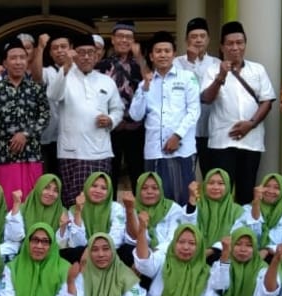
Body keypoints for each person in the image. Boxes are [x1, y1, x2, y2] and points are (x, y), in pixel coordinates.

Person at [200, 21, 276, 204]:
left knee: (246, 193)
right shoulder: (212, 70)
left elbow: (267, 101)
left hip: (251, 141)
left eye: (239, 43)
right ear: (222, 47)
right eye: (230, 43)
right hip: (222, 142)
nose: (235, 47)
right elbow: (206, 99)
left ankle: (244, 223)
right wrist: (220, 77)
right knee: (220, 194)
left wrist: (251, 124)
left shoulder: (258, 69)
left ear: (245, 44)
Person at [48, 33, 124, 207]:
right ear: (73, 54)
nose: (87, 57)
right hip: (72, 152)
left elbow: (118, 109)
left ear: (97, 55)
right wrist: (66, 67)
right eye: (81, 52)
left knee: (99, 202)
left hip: (100, 151)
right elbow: (53, 95)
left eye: (91, 52)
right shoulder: (64, 77)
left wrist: (111, 119)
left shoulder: (106, 81)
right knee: (73, 202)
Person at [0, 38, 50, 204]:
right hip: (5, 155)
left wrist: (25, 134)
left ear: (27, 61)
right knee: (8, 202)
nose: (18, 62)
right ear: (5, 63)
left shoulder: (36, 88)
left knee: (32, 202)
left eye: (22, 58)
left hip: (31, 154)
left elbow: (45, 116)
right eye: (13, 58)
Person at [130, 31, 200, 206]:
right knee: (154, 200)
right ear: (151, 56)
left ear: (174, 54)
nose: (163, 55)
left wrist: (177, 136)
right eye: (158, 51)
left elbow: (194, 111)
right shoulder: (145, 83)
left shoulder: (187, 78)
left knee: (183, 199)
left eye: (167, 51)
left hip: (182, 150)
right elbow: (135, 115)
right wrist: (145, 88)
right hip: (154, 151)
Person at [96, 20, 146, 197]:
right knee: (110, 173)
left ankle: (141, 209)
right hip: (110, 127)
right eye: (120, 36)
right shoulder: (102, 65)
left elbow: (149, 84)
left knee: (138, 173)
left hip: (136, 128)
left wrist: (140, 58)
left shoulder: (141, 65)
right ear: (113, 39)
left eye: (128, 37)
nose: (124, 40)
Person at [174, 17, 218, 175]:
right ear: (186, 40)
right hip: (184, 131)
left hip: (209, 129)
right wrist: (191, 62)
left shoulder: (217, 64)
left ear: (208, 39)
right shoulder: (176, 63)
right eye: (194, 36)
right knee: (184, 176)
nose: (198, 40)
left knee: (211, 176)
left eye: (202, 36)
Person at [182, 168, 252, 264]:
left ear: (228, 186)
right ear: (204, 185)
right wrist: (192, 199)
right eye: (211, 183)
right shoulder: (194, 206)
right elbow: (186, 228)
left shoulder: (238, 211)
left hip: (224, 256)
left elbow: (236, 237)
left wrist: (212, 250)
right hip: (193, 254)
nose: (215, 187)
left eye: (221, 183)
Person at [61, 172, 127, 263]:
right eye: (94, 186)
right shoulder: (73, 210)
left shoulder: (116, 208)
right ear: (86, 187)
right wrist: (78, 212)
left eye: (103, 188)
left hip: (109, 252)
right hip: (83, 254)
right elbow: (77, 243)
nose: (98, 191)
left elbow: (117, 237)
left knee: (127, 251)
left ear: (109, 191)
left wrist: (99, 252)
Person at [31, 33, 72, 177]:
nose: (59, 50)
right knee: (47, 179)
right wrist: (40, 47)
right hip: (48, 138)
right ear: (50, 53)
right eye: (55, 48)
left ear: (71, 49)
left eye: (63, 47)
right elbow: (36, 77)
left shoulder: (79, 72)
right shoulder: (48, 71)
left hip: (72, 137)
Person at [122, 172, 184, 256]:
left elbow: (174, 238)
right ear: (138, 190)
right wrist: (130, 211)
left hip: (166, 254)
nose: (149, 192)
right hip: (139, 253)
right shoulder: (130, 206)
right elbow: (132, 238)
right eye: (144, 188)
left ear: (161, 190)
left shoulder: (173, 208)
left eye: (155, 188)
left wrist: (154, 255)